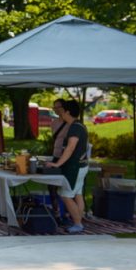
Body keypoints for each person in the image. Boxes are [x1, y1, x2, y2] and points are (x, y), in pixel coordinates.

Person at [48, 99, 90, 233]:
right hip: (81, 166)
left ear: (67, 111)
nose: (60, 114)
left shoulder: (75, 127)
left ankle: (78, 223)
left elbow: (70, 148)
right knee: (77, 194)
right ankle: (78, 220)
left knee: (66, 195)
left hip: (75, 167)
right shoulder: (79, 125)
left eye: (62, 111)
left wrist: (57, 164)